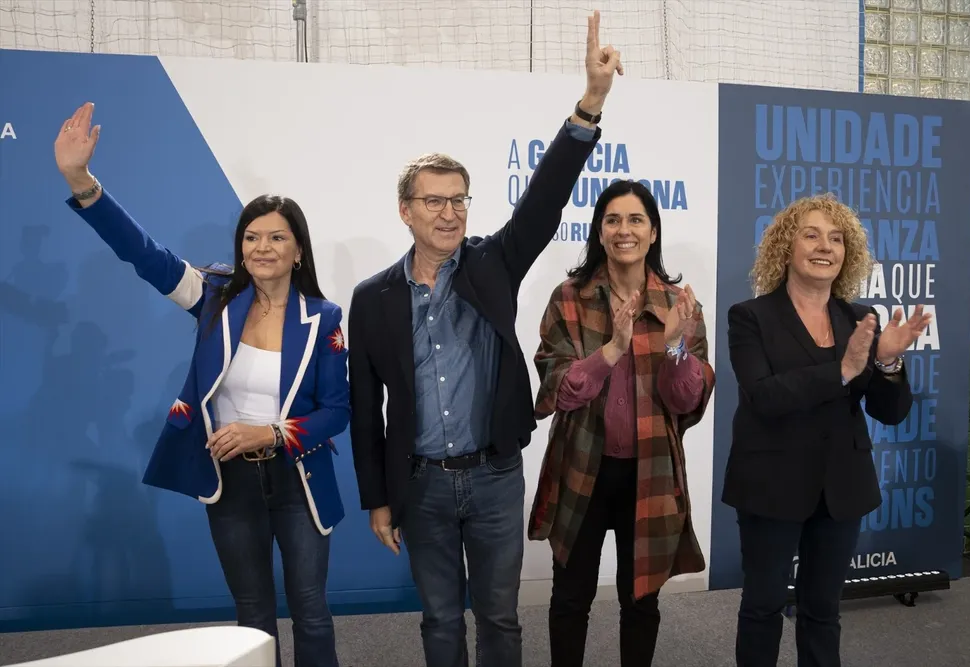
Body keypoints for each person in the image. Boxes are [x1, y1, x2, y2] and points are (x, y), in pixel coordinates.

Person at [346, 11, 622, 666]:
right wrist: (378, 500)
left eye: (460, 199)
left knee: (499, 617)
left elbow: (546, 197)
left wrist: (590, 102)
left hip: (495, 475)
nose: (450, 212)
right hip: (422, 486)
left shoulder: (493, 263)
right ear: (405, 210)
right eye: (434, 200)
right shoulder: (372, 298)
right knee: (441, 620)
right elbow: (365, 410)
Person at [54, 102, 350, 667]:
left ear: (298, 250)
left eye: (276, 238)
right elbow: (144, 254)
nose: (261, 248)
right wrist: (82, 182)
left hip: (298, 481)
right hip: (229, 485)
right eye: (252, 237)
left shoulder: (325, 318)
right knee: (252, 615)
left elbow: (336, 411)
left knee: (311, 611)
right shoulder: (213, 296)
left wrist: (267, 434)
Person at [721, 194, 932, 667]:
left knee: (822, 610)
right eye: (811, 234)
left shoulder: (860, 317)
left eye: (836, 238)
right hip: (770, 485)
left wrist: (889, 361)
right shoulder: (749, 317)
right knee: (763, 606)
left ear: (847, 253)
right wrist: (844, 368)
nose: (825, 246)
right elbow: (765, 396)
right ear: (785, 247)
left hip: (842, 487)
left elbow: (891, 411)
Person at [530, 180, 716, 667]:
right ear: (599, 230)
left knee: (641, 602)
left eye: (636, 220)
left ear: (653, 231)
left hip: (649, 474)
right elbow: (560, 392)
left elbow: (686, 401)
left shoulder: (679, 305)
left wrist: (676, 345)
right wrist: (613, 347)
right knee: (571, 599)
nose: (624, 230)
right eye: (612, 220)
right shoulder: (569, 298)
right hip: (581, 470)